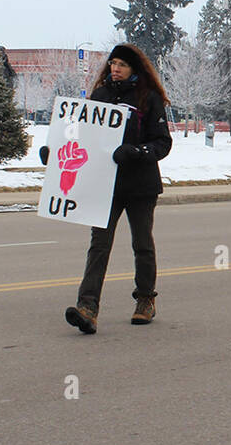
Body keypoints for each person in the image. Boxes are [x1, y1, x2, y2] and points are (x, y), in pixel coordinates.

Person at [59, 44, 173, 334]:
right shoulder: (101, 96)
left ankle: (145, 300)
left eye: (122, 64)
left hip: (141, 185)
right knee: (99, 245)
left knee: (142, 243)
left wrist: (137, 151)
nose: (115, 69)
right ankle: (87, 307)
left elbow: (163, 143)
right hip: (106, 184)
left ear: (134, 68)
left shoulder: (148, 98)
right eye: (113, 63)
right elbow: (83, 139)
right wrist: (57, 155)